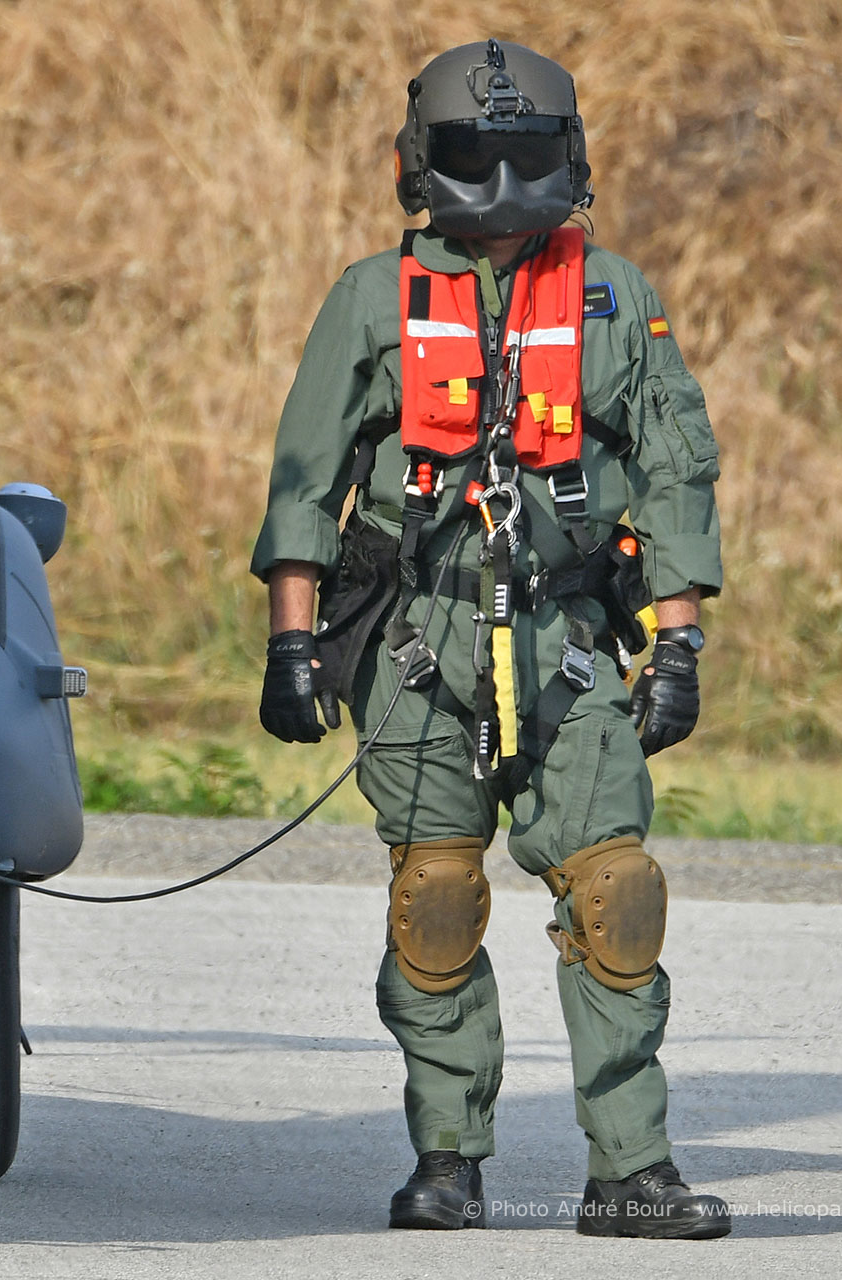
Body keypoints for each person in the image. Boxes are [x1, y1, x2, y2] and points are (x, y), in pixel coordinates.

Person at [251, 38, 729, 1240]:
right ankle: (449, 1157)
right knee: (437, 899)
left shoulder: (615, 295)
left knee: (617, 892)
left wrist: (676, 645)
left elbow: (674, 472)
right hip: (424, 638)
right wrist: (292, 642)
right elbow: (309, 476)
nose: (502, 184)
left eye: (524, 154)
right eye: (477, 154)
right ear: (425, 164)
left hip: (568, 640)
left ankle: (630, 1168)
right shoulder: (374, 298)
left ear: (565, 160)